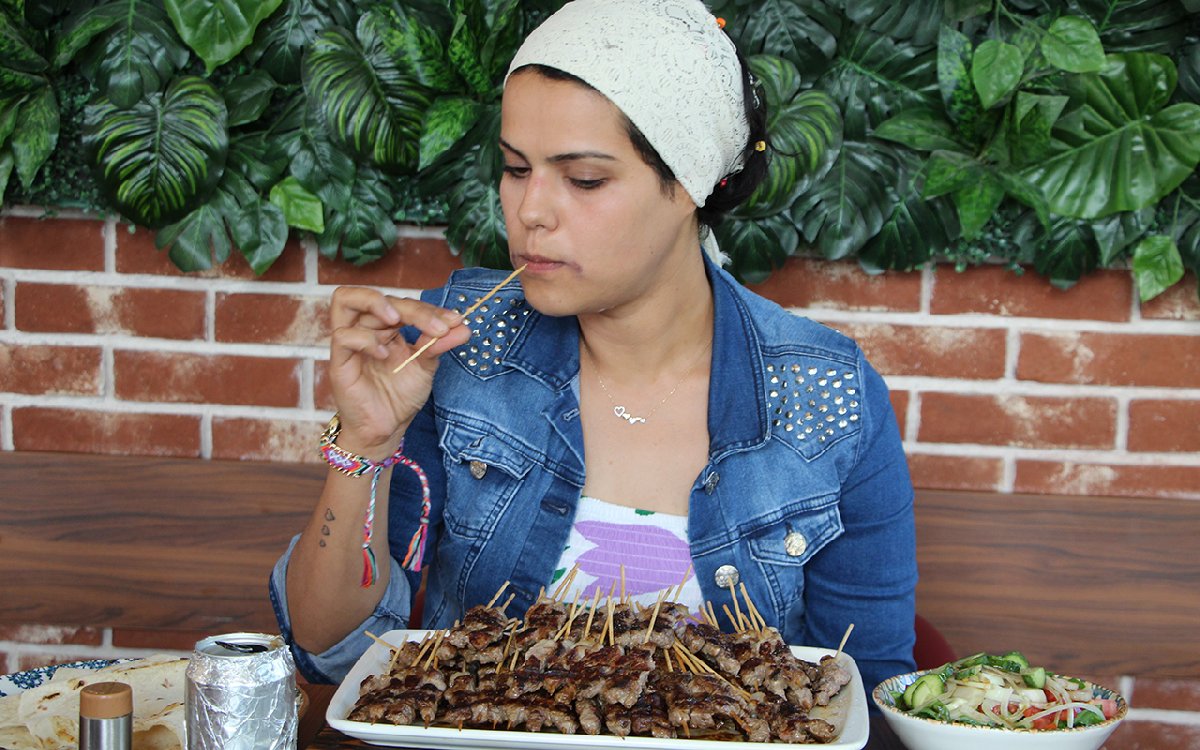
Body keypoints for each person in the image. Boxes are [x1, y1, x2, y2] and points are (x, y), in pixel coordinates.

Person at [269, 0, 917, 701]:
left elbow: (864, 692)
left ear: (691, 183)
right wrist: (365, 442)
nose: (530, 211)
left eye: (583, 179)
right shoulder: (460, 347)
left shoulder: (828, 398)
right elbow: (330, 647)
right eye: (515, 168)